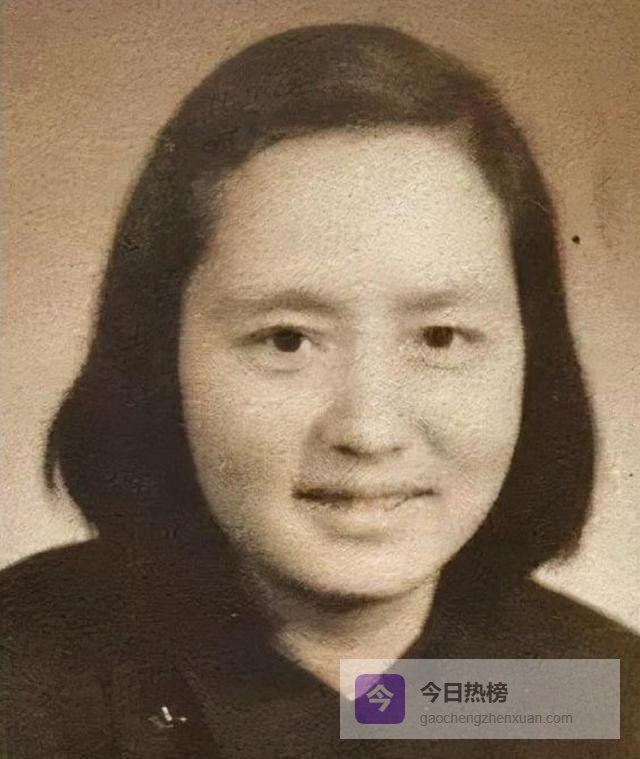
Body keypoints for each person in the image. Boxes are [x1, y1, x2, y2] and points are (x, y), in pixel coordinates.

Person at [2, 23, 638, 759]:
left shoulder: (601, 696)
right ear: (160, 356)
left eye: (439, 337)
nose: (368, 430)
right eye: (287, 340)